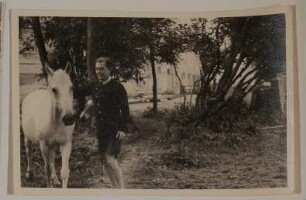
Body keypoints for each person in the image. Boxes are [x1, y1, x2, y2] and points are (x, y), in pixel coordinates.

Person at [79, 56, 129, 188]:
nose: (99, 72)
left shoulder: (118, 87)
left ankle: (122, 191)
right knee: (104, 160)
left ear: (110, 69)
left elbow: (125, 110)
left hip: (115, 130)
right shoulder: (95, 86)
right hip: (101, 130)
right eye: (97, 69)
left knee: (111, 160)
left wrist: (123, 129)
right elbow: (78, 92)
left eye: (102, 69)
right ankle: (115, 189)